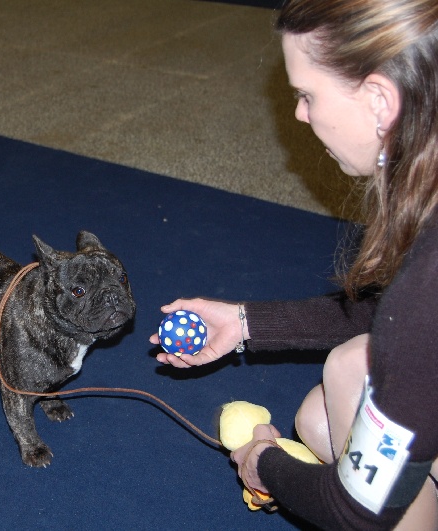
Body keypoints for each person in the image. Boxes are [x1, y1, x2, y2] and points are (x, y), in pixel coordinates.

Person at [149, 0, 438, 528]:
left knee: (346, 387)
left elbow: (356, 511)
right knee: (325, 409)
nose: (300, 115)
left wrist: (264, 463)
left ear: (380, 99)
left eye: (308, 95)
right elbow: (390, 319)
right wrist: (243, 324)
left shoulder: (429, 278)